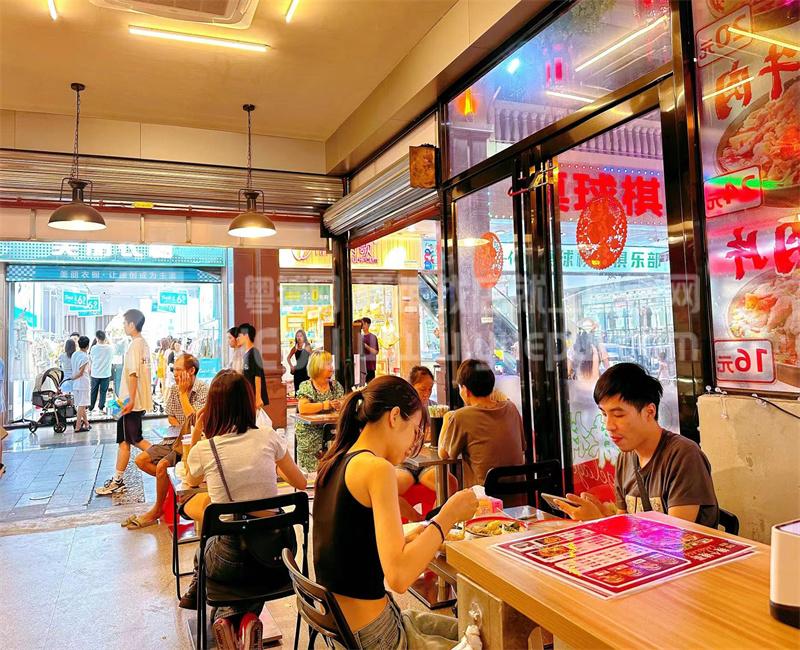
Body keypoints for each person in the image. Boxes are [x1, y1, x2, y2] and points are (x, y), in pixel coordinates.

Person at [313, 375, 478, 650]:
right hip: (376, 638)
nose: (413, 442)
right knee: (486, 638)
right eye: (414, 430)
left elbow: (348, 547)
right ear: (394, 417)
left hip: (346, 632)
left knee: (474, 631)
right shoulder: (377, 469)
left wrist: (412, 539)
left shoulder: (334, 460)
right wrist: (448, 515)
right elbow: (399, 577)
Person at [179, 369, 307, 650]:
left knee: (205, 551)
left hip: (228, 557)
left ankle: (225, 618)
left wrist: (197, 432)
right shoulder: (269, 437)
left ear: (213, 407)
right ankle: (247, 620)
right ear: (249, 403)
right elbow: (300, 482)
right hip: (277, 555)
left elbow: (189, 480)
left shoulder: (206, 449)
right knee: (254, 573)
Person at [557, 363, 720, 528]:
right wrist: (603, 515)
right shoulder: (625, 457)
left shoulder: (684, 455)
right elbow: (623, 522)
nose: (609, 425)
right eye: (604, 414)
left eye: (618, 415)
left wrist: (598, 522)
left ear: (649, 412)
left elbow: (675, 535)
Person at [124, 353, 209, 529]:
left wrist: (184, 395)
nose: (175, 374)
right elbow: (170, 416)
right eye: (174, 370)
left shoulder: (203, 389)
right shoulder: (173, 389)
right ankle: (172, 490)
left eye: (179, 370)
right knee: (141, 460)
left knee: (162, 466)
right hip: (174, 438)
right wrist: (180, 428)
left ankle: (157, 509)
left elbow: (196, 422)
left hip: (194, 441)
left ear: (191, 371)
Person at [438, 359, 525, 489]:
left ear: (465, 390)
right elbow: (522, 447)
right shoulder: (511, 408)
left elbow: (443, 455)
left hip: (484, 499)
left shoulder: (461, 416)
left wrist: (446, 419)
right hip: (519, 496)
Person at [95, 309, 153, 495]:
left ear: (132, 324)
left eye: (125, 323)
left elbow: (134, 374)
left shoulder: (135, 345)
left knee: (135, 439)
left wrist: (131, 401)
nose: (123, 326)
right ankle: (117, 479)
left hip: (130, 402)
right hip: (130, 401)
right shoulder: (143, 343)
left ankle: (166, 458)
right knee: (125, 440)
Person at [395, 366, 451, 522]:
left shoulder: (434, 409)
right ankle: (417, 519)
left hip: (427, 464)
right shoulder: (401, 411)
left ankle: (434, 520)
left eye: (430, 389)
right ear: (411, 387)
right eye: (422, 389)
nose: (427, 393)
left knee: (450, 484)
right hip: (405, 464)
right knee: (387, 489)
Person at [295, 350, 344, 473]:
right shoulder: (307, 386)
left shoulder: (335, 386)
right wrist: (324, 405)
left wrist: (340, 405)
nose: (332, 368)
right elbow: (303, 408)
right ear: (318, 367)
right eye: (328, 364)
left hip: (332, 432)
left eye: (331, 364)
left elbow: (343, 403)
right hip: (310, 434)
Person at [237, 323, 269, 412]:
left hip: (253, 396)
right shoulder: (246, 354)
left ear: (246, 335)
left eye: (239, 335)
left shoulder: (254, 353)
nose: (238, 338)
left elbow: (257, 376)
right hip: (248, 395)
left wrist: (258, 397)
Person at [71, 336, 92, 432]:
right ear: (87, 346)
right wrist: (73, 377)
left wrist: (72, 378)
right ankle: (78, 427)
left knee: (81, 405)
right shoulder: (85, 357)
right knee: (82, 406)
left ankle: (87, 424)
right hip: (83, 383)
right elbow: (81, 373)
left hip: (76, 384)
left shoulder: (74, 354)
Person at [90, 330, 113, 413]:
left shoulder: (94, 348)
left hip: (95, 373)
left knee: (93, 391)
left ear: (97, 338)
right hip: (106, 374)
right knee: (103, 392)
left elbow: (91, 359)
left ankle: (91, 408)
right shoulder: (110, 348)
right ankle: (101, 408)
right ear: (105, 338)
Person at [287, 329, 312, 394]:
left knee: (306, 391)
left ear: (304, 337)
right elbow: (288, 357)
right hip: (297, 372)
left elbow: (313, 357)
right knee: (297, 390)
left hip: (306, 371)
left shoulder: (307, 347)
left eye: (301, 336)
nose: (299, 337)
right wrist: (291, 366)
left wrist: (311, 368)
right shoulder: (295, 347)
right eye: (297, 336)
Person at [360, 317, 379, 384]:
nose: (363, 326)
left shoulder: (373, 337)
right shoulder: (359, 337)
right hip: (361, 367)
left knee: (371, 385)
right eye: (362, 324)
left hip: (370, 367)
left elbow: (376, 352)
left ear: (368, 324)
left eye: (364, 324)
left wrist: (366, 346)